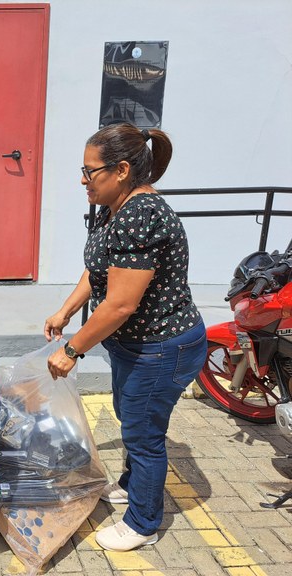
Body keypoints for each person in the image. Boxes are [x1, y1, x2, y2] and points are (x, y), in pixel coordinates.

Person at [43, 122, 207, 552]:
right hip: (136, 346)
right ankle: (133, 486)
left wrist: (73, 349)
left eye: (88, 170)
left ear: (119, 170)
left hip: (161, 348)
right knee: (132, 419)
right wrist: (65, 310)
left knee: (143, 436)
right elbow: (97, 269)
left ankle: (143, 523)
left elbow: (119, 304)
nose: (82, 179)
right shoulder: (116, 206)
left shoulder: (141, 214)